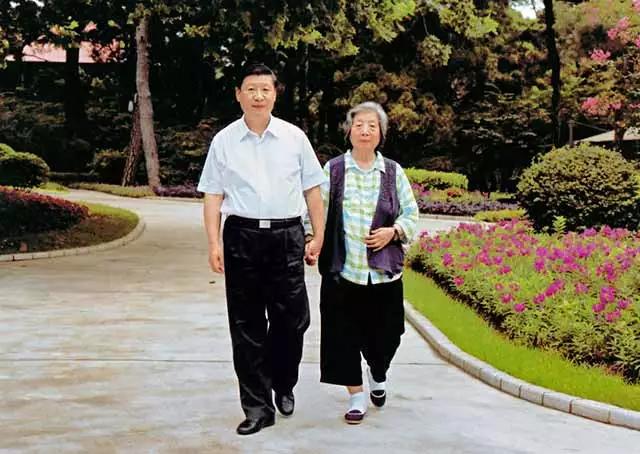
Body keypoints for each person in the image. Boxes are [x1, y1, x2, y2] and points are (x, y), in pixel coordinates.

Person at [197, 63, 325, 435]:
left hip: (286, 236)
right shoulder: (224, 141)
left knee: (293, 320)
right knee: (246, 325)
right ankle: (257, 408)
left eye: (265, 89)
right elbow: (213, 194)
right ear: (238, 94)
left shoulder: (294, 138)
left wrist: (318, 235)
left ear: (274, 94)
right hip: (242, 237)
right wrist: (213, 242)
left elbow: (312, 190)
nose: (258, 96)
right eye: (251, 89)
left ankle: (283, 382)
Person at [316, 101, 418, 425]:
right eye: (358, 124)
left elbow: (411, 213)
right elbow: (316, 211)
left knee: (389, 335)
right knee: (342, 336)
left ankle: (378, 371)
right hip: (343, 271)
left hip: (384, 275)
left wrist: (393, 232)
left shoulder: (393, 171)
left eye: (372, 125)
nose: (364, 130)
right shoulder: (333, 170)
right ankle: (356, 396)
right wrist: (311, 239)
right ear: (349, 131)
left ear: (380, 133)